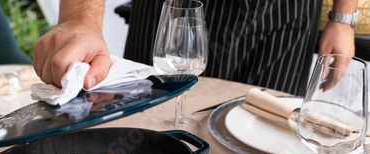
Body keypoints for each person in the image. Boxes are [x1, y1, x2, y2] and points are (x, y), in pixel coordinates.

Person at [33, 0, 358, 96]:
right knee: (148, 134)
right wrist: (81, 21)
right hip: (173, 10)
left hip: (285, 13)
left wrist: (344, 17)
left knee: (269, 142)